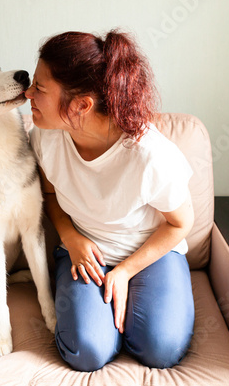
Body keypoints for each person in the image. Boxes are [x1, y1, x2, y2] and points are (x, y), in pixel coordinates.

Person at [25, 29, 195, 372]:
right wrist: (71, 239)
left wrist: (126, 271)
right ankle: (106, 327)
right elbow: (49, 194)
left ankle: (130, 315)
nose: (27, 93)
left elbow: (181, 222)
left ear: (82, 105)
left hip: (149, 255)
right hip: (85, 254)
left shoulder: (150, 156)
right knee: (86, 351)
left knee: (160, 348)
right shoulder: (45, 136)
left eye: (39, 89)